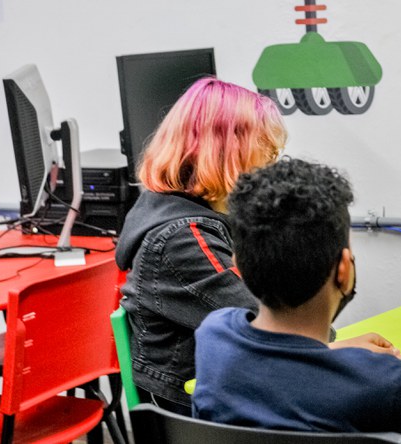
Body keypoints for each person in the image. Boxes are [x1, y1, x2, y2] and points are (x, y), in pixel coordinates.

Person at [193, 158, 401, 444]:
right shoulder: (381, 381)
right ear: (344, 269)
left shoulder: (215, 337)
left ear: (239, 265)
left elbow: (281, 371)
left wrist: (333, 354)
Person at [114, 77, 287, 415]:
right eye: (265, 147)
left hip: (225, 382)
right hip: (195, 411)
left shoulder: (203, 212)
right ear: (227, 151)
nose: (272, 160)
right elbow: (268, 321)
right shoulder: (183, 237)